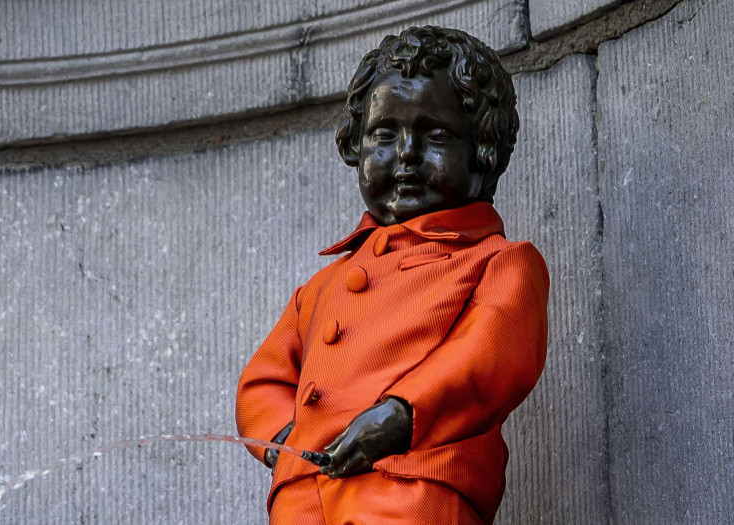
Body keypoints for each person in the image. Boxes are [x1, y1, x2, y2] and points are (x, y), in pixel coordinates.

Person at [235, 26, 549, 525]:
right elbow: (264, 378)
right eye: (384, 133)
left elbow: (486, 360)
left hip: (414, 488)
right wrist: (283, 439)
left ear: (483, 149)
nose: (405, 152)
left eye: (436, 134)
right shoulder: (321, 288)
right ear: (355, 147)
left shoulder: (498, 262)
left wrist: (401, 413)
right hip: (304, 493)